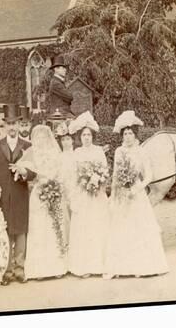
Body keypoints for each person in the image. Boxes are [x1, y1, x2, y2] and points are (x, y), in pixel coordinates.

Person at [104, 111, 169, 279]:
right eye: (125, 133)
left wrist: (136, 188)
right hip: (121, 195)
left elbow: (149, 176)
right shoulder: (119, 151)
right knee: (121, 228)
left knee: (139, 228)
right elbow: (116, 175)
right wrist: (113, 194)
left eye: (130, 133)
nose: (127, 136)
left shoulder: (141, 151)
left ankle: (142, 266)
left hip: (136, 194)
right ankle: (121, 267)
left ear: (135, 134)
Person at [0, 104, 34, 285]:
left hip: (21, 194)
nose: (12, 127)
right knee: (4, 232)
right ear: (4, 126)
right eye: (9, 124)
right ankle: (6, 271)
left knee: (21, 231)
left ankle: (19, 269)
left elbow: (34, 171)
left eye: (15, 123)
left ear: (19, 124)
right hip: (4, 195)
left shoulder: (27, 146)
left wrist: (24, 173)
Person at [17, 125, 68, 280]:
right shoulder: (31, 152)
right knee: (39, 227)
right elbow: (21, 166)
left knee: (54, 227)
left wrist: (54, 183)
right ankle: (39, 269)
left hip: (53, 189)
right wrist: (28, 173)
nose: (40, 140)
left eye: (43, 137)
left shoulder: (54, 153)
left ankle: (57, 267)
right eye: (37, 137)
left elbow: (61, 171)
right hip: (39, 192)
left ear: (48, 138)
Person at [67, 111, 109, 278]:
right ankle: (83, 266)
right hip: (83, 195)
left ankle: (99, 265)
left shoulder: (99, 151)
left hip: (97, 195)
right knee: (84, 228)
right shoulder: (77, 153)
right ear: (80, 137)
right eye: (84, 135)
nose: (86, 138)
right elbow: (73, 175)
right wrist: (83, 184)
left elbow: (105, 170)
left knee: (98, 227)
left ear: (93, 136)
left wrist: (98, 180)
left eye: (89, 135)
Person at [54, 121, 75, 247]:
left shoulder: (77, 155)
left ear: (72, 140)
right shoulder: (59, 157)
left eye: (68, 139)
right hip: (62, 190)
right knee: (64, 218)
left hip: (75, 189)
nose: (66, 142)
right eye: (63, 140)